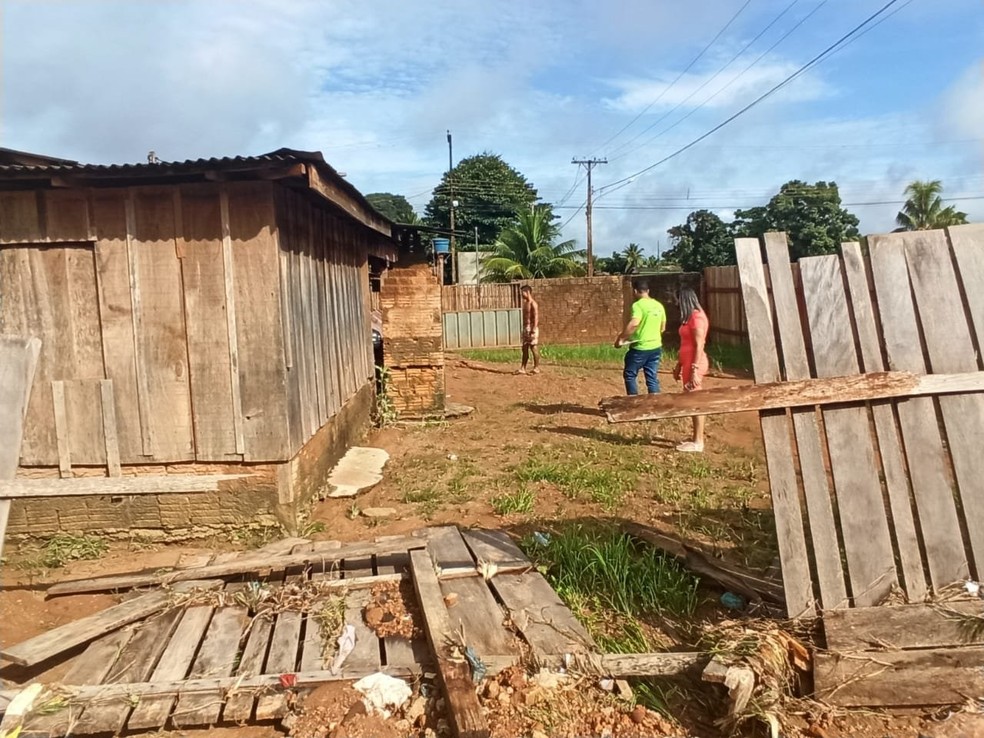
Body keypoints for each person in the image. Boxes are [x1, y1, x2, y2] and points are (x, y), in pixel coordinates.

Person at [673, 288, 710, 452]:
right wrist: (679, 365)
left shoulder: (697, 318)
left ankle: (698, 442)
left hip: (695, 363)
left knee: (696, 401)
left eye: (678, 300)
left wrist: (694, 369)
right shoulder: (689, 318)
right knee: (691, 400)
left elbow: (699, 344)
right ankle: (696, 438)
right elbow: (685, 344)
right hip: (687, 363)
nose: (676, 303)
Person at [615, 280, 666, 394]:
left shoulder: (637, 305)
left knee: (630, 374)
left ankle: (634, 403)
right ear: (648, 291)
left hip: (640, 348)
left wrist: (621, 338)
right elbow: (662, 328)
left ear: (635, 291)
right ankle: (655, 403)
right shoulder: (659, 305)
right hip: (656, 347)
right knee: (652, 377)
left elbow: (634, 323)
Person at [517, 285, 541, 374]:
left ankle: (536, 368)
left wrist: (533, 329)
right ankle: (523, 368)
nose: (521, 294)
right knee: (524, 348)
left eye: (522, 292)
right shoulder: (525, 303)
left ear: (527, 292)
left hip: (531, 328)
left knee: (533, 347)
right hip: (525, 328)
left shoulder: (533, 304)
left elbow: (536, 317)